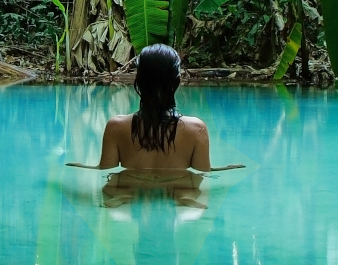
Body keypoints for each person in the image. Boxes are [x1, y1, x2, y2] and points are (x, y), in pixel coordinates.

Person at [67, 44, 244, 174]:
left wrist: (80, 166)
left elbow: (105, 170)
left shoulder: (116, 126)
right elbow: (202, 173)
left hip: (131, 189)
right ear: (176, 82)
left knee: (115, 193)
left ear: (139, 82)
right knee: (191, 197)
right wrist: (225, 169)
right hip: (179, 190)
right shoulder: (196, 129)